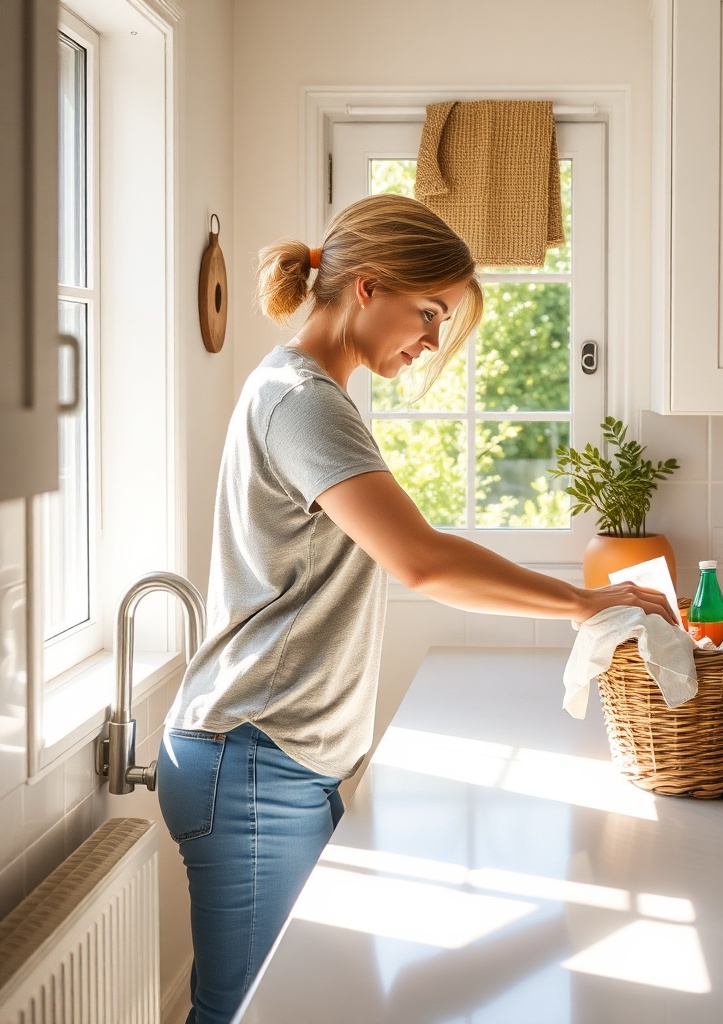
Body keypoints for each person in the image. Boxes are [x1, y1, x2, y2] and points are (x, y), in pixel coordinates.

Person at [157, 193, 676, 1024]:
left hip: (280, 753)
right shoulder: (302, 400)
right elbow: (422, 560)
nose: (432, 340)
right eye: (428, 312)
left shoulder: (307, 393)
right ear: (367, 288)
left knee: (310, 1003)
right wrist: (581, 601)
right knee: (251, 1013)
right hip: (254, 752)